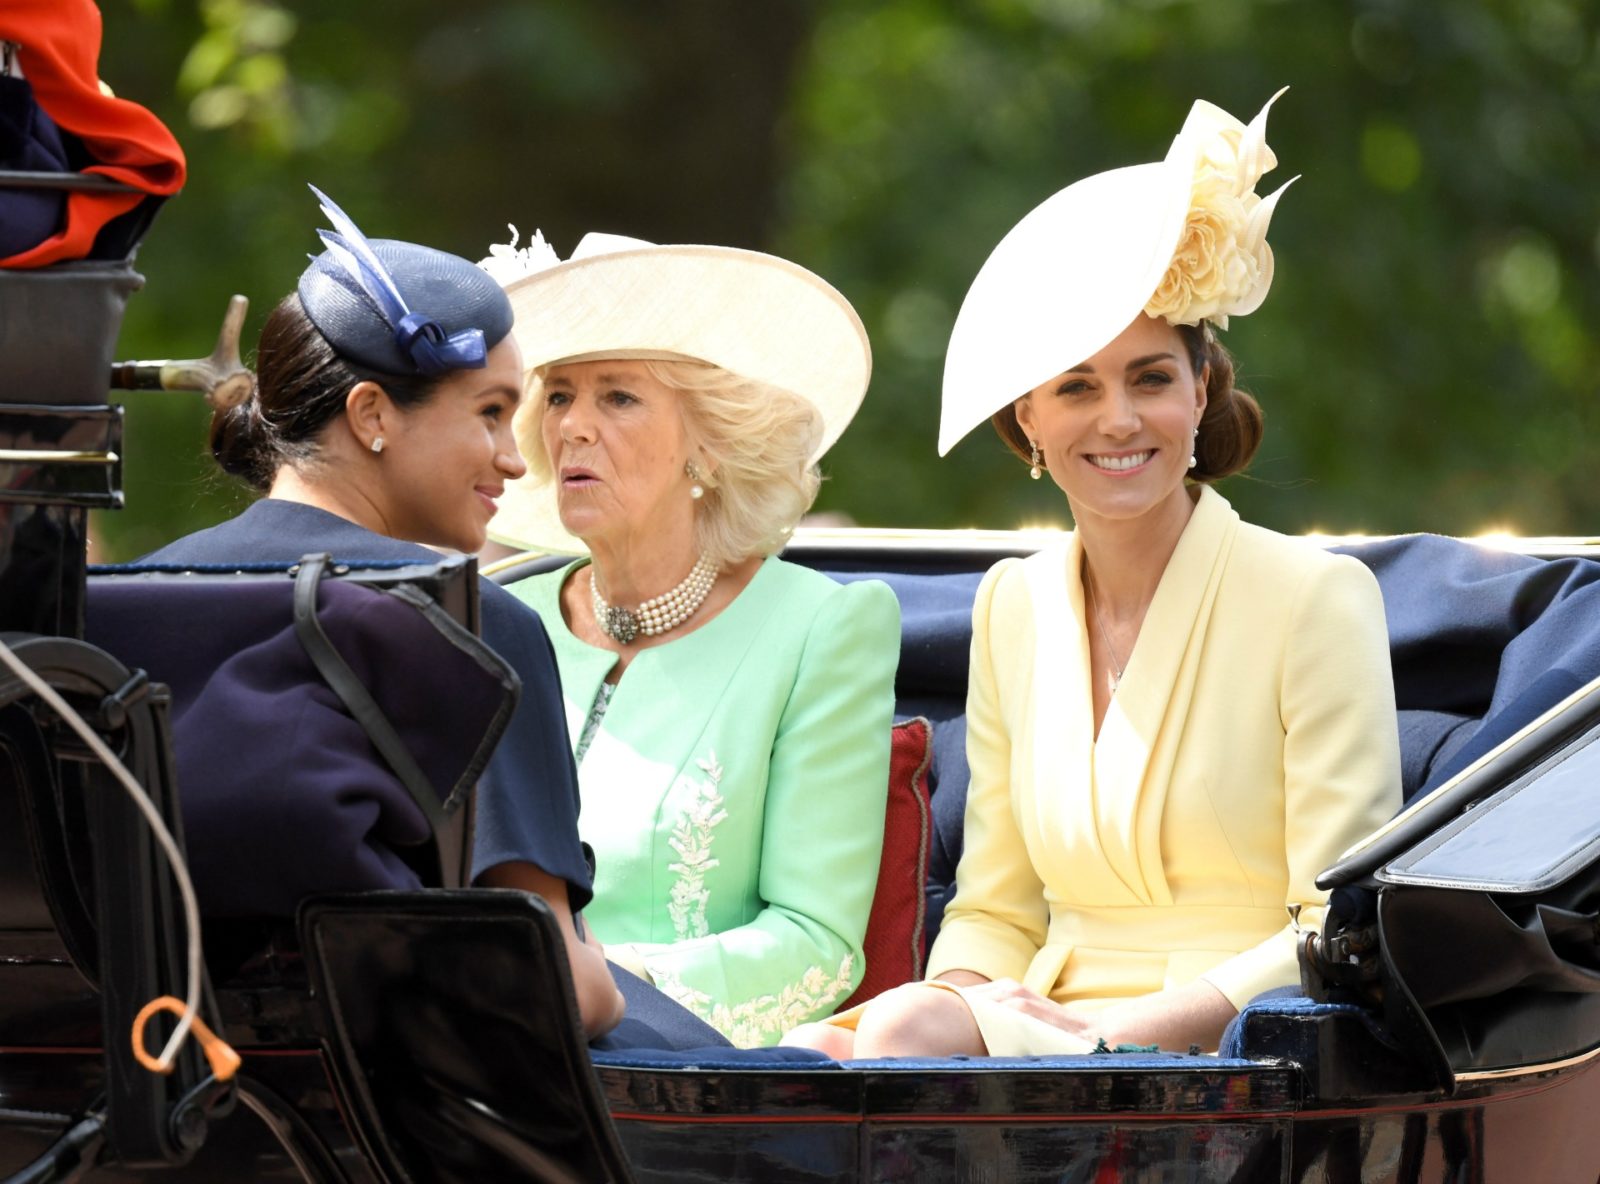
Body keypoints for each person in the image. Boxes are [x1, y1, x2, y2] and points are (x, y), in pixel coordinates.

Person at [785, 91, 1402, 1058]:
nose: (1117, 419)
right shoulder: (1012, 605)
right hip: (1034, 1020)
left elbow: (1334, 923)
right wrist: (937, 1010)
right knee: (810, 1058)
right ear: (1028, 421)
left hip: (1229, 1040)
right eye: (1076, 386)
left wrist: (1121, 1029)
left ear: (1201, 392)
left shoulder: (1315, 599)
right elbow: (994, 910)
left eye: (1150, 378)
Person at [140, 188, 632, 1040]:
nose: (516, 461)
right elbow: (555, 981)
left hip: (146, 1095)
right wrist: (614, 990)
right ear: (371, 415)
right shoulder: (472, 624)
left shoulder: (119, 605)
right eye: (489, 413)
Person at [482, 231, 900, 1047]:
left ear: (707, 441)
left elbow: (816, 947)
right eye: (559, 395)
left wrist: (589, 990)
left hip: (679, 1079)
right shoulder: (502, 615)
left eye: (619, 397)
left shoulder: (823, 628)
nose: (573, 427)